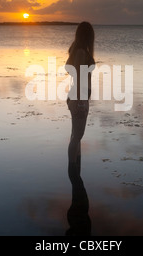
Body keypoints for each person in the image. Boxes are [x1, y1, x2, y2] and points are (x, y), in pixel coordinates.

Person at [66, 22, 95, 188]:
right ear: (88, 36)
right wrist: (80, 101)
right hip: (79, 98)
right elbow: (77, 77)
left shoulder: (78, 50)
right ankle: (73, 172)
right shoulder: (81, 52)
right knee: (77, 136)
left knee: (75, 136)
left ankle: (76, 169)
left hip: (78, 97)